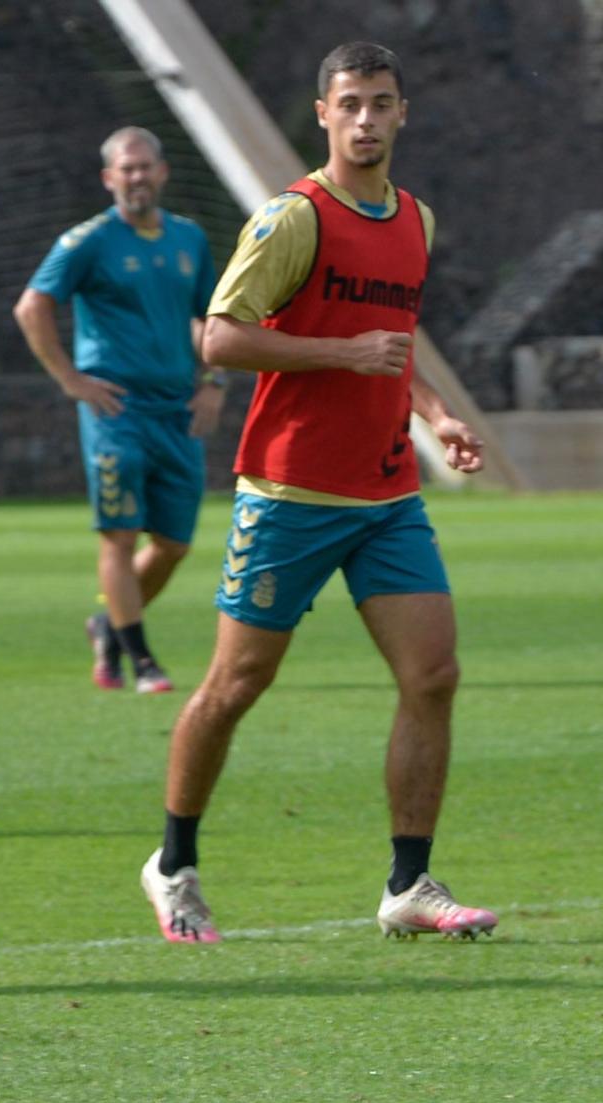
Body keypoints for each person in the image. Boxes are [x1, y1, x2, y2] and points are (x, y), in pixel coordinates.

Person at [137, 42, 499, 944]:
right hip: (290, 492)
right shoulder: (292, 220)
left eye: (383, 102)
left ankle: (409, 884)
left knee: (434, 675)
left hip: (385, 494)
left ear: (403, 114)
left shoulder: (415, 220)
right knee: (236, 682)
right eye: (352, 104)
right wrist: (342, 356)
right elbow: (220, 340)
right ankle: (172, 862)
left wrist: (434, 413)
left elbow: (393, 344)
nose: (368, 118)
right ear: (324, 114)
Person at [13, 127, 223, 695]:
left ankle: (109, 625)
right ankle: (140, 659)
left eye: (144, 167)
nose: (136, 177)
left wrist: (216, 380)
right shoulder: (87, 241)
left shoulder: (189, 239)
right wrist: (70, 379)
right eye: (124, 170)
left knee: (175, 544)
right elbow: (32, 306)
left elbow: (209, 318)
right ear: (109, 179)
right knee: (121, 535)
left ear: (162, 172)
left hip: (177, 410)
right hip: (116, 410)